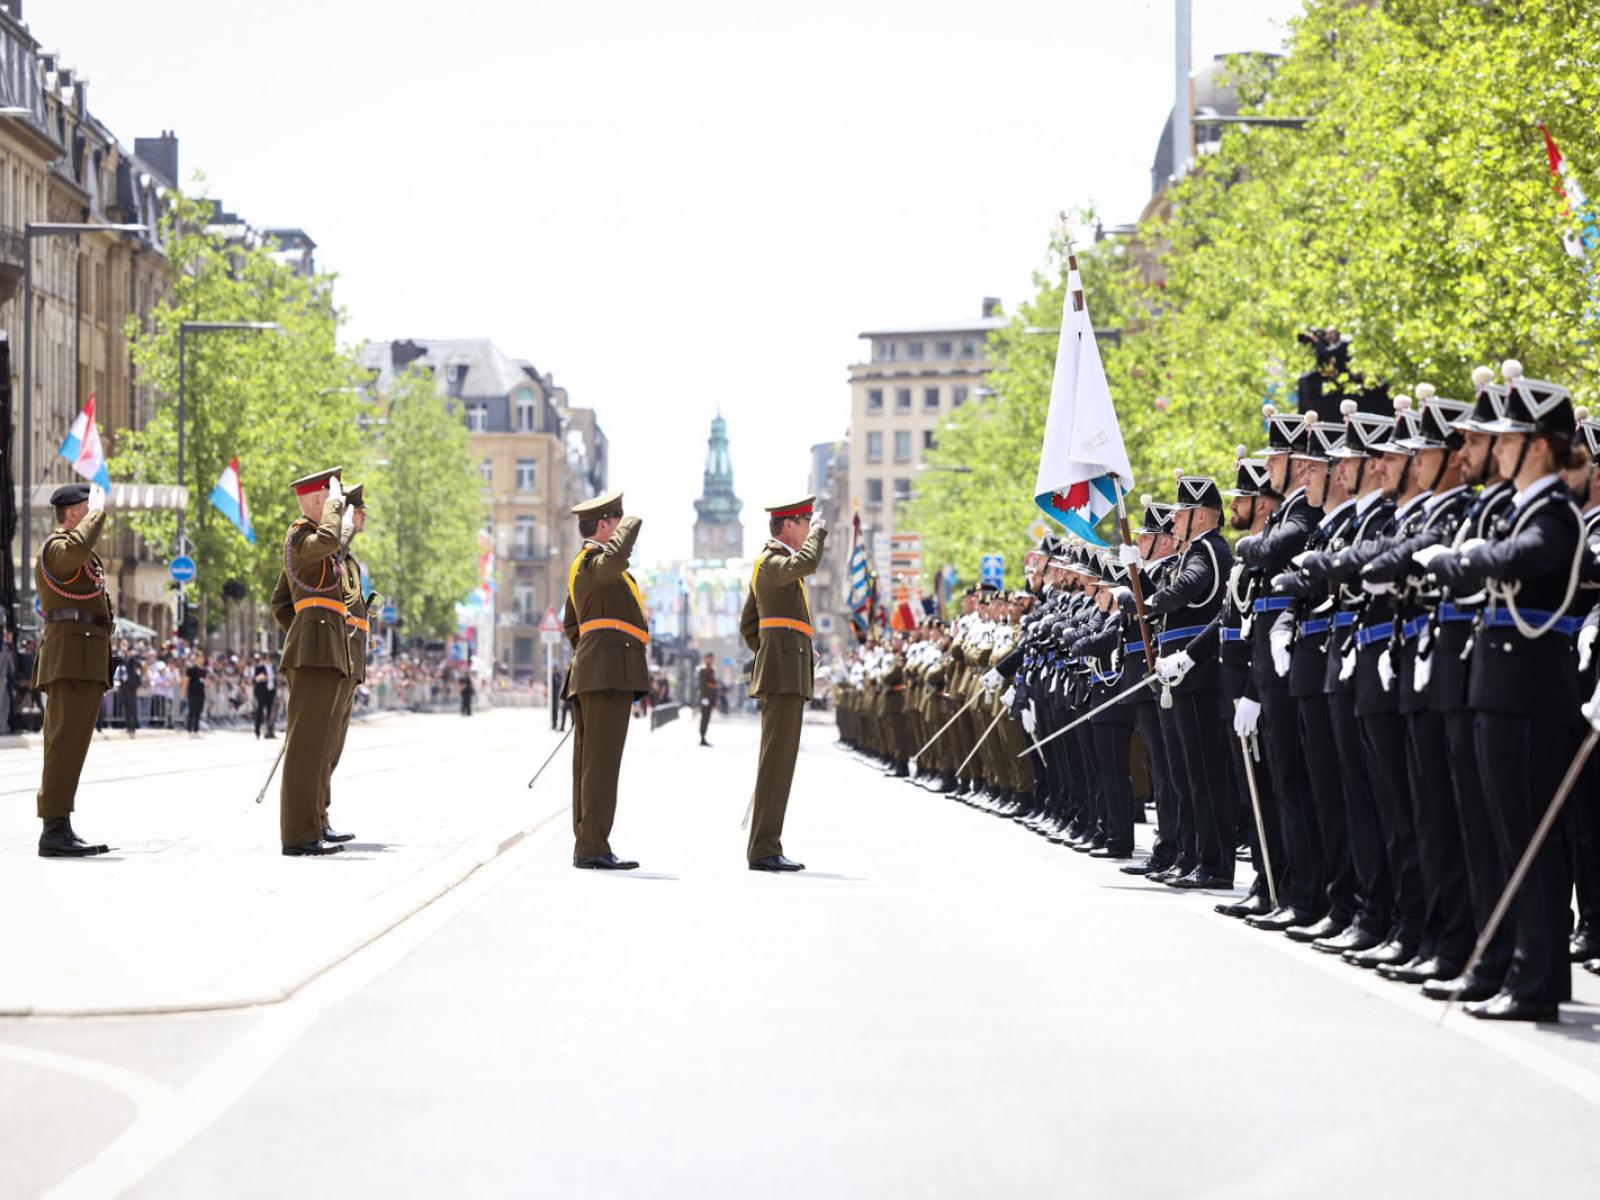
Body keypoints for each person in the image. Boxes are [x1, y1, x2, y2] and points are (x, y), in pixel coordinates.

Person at [741, 495, 828, 872]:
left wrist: (782, 649)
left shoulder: (770, 566)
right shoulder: (775, 562)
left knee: (778, 761)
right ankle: (764, 848)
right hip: (783, 674)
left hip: (785, 669)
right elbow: (808, 561)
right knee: (777, 763)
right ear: (789, 525)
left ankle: (766, 844)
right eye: (807, 522)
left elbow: (750, 625)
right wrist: (821, 533)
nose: (810, 528)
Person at [562, 489, 647, 870]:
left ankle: (589, 842)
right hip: (606, 673)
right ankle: (593, 846)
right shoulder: (595, 562)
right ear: (604, 525)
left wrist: (590, 652)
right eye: (616, 521)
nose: (619, 528)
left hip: (600, 670)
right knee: (600, 765)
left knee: (592, 763)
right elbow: (611, 563)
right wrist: (630, 527)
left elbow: (570, 623)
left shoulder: (584, 566)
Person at [269, 466, 352, 857]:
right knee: (305, 746)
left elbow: (282, 603)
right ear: (319, 500)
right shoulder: (302, 536)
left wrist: (301, 632)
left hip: (321, 644)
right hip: (315, 645)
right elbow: (329, 538)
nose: (339, 506)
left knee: (318, 745)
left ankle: (313, 823)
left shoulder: (314, 543)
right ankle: (299, 835)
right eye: (333, 499)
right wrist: (305, 632)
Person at [33, 482, 113, 858]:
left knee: (73, 746)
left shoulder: (82, 554)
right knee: (63, 744)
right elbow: (76, 550)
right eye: (87, 508)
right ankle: (52, 829)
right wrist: (98, 514)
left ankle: (60, 824)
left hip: (85, 657)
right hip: (69, 656)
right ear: (72, 513)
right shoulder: (57, 548)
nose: (94, 512)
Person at [321, 481, 370, 845]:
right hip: (336, 659)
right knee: (323, 748)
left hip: (351, 663)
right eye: (359, 510)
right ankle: (316, 817)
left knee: (333, 749)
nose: (364, 516)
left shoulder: (351, 565)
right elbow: (334, 545)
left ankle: (321, 814)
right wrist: (345, 520)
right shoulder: (337, 554)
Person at [697, 652, 719, 746]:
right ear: (705, 659)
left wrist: (715, 698)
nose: (711, 660)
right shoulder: (703, 670)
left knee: (707, 718)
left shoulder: (711, 670)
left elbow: (714, 685)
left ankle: (703, 737)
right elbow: (703, 685)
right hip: (705, 698)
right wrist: (704, 697)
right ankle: (702, 737)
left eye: (712, 659)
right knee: (704, 718)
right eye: (709, 658)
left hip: (711, 698)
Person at [252, 654, 276, 738]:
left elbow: (275, 678)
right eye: (267, 658)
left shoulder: (274, 668)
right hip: (261, 692)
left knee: (270, 712)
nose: (268, 660)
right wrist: (260, 678)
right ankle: (257, 731)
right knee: (260, 711)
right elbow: (254, 679)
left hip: (271, 691)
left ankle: (269, 732)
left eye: (270, 658)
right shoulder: (259, 667)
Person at [185, 651, 208, 736]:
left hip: (200, 693)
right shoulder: (191, 669)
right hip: (192, 692)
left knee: (198, 712)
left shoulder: (203, 670)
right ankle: (189, 730)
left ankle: (196, 729)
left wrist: (206, 683)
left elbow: (205, 681)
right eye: (200, 658)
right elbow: (186, 681)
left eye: (202, 658)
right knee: (192, 712)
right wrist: (184, 692)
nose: (201, 659)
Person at [550, 664, 570, 731]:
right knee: (562, 710)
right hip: (555, 696)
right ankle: (559, 725)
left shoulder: (559, 675)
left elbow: (560, 684)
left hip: (569, 695)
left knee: (566, 710)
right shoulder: (553, 676)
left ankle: (562, 726)